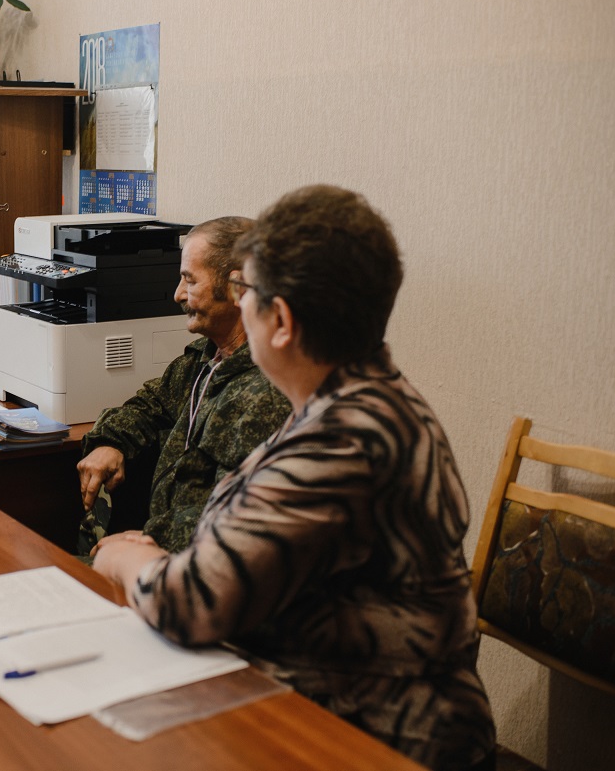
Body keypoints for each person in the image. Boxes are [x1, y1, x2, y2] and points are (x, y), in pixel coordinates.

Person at [94, 185, 495, 771]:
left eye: (244, 291)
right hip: (317, 709)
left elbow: (192, 604)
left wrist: (124, 557)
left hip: (370, 742)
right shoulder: (371, 397)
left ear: (278, 320)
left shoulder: (340, 442)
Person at [76, 217, 289, 555]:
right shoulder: (203, 360)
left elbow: (230, 522)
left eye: (189, 280)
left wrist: (140, 545)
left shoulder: (267, 395)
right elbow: (148, 406)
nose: (178, 295)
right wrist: (110, 442)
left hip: (190, 568)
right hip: (157, 548)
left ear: (239, 289)